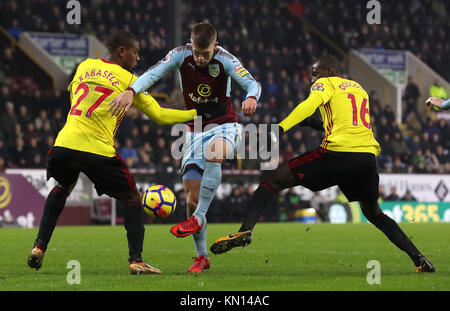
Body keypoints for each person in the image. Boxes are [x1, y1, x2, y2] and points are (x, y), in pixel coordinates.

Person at [210, 55, 435, 273]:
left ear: (329, 71)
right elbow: (346, 124)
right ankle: (419, 258)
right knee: (375, 214)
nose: (312, 78)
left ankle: (245, 231)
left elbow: (308, 105)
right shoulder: (358, 88)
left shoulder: (325, 83)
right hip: (366, 158)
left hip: (337, 155)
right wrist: (316, 124)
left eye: (315, 73)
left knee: (271, 182)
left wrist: (280, 128)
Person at [26, 30, 216, 275]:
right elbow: (159, 115)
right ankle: (136, 260)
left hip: (64, 143)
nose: (138, 58)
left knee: (62, 186)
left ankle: (39, 247)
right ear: (121, 52)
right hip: (97, 148)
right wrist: (197, 114)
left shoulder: (85, 65)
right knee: (132, 198)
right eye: (135, 52)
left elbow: (75, 96)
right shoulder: (129, 80)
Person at [108, 22, 261, 273]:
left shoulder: (225, 59)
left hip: (224, 125)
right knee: (191, 199)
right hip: (193, 130)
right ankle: (202, 256)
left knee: (215, 155)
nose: (200, 58)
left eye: (206, 53)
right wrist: (131, 90)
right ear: (190, 43)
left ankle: (199, 218)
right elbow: (153, 73)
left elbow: (252, 83)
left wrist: (252, 97)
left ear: (215, 44)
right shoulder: (180, 54)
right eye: (197, 52)